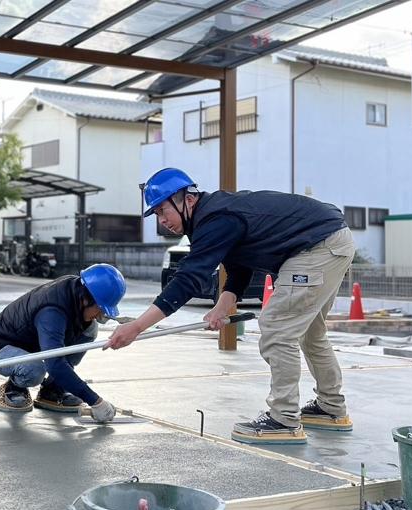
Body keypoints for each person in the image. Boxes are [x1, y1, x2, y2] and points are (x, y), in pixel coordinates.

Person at [106, 168, 355, 444]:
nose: (163, 221)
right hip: (331, 240)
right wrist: (223, 306)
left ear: (187, 199)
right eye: (157, 215)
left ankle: (284, 420)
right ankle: (331, 409)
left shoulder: (215, 218)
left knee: (276, 328)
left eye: (164, 210)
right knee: (311, 332)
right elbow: (239, 264)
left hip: (317, 247)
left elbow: (188, 279)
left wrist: (138, 327)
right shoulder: (215, 214)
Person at [0, 263, 125, 423]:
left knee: (90, 329)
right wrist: (96, 401)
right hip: (1, 347)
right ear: (86, 299)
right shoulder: (52, 312)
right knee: (34, 369)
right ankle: (14, 387)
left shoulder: (77, 290)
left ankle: (51, 390)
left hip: (34, 343)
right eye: (100, 308)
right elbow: (55, 363)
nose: (101, 315)